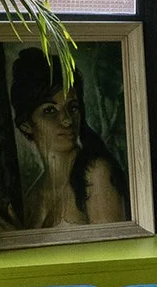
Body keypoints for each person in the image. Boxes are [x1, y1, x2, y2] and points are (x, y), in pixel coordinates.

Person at [11, 48, 129, 228]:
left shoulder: (95, 173)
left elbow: (114, 251)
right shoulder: (31, 198)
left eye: (72, 107)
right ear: (26, 124)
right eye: (50, 110)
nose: (66, 120)